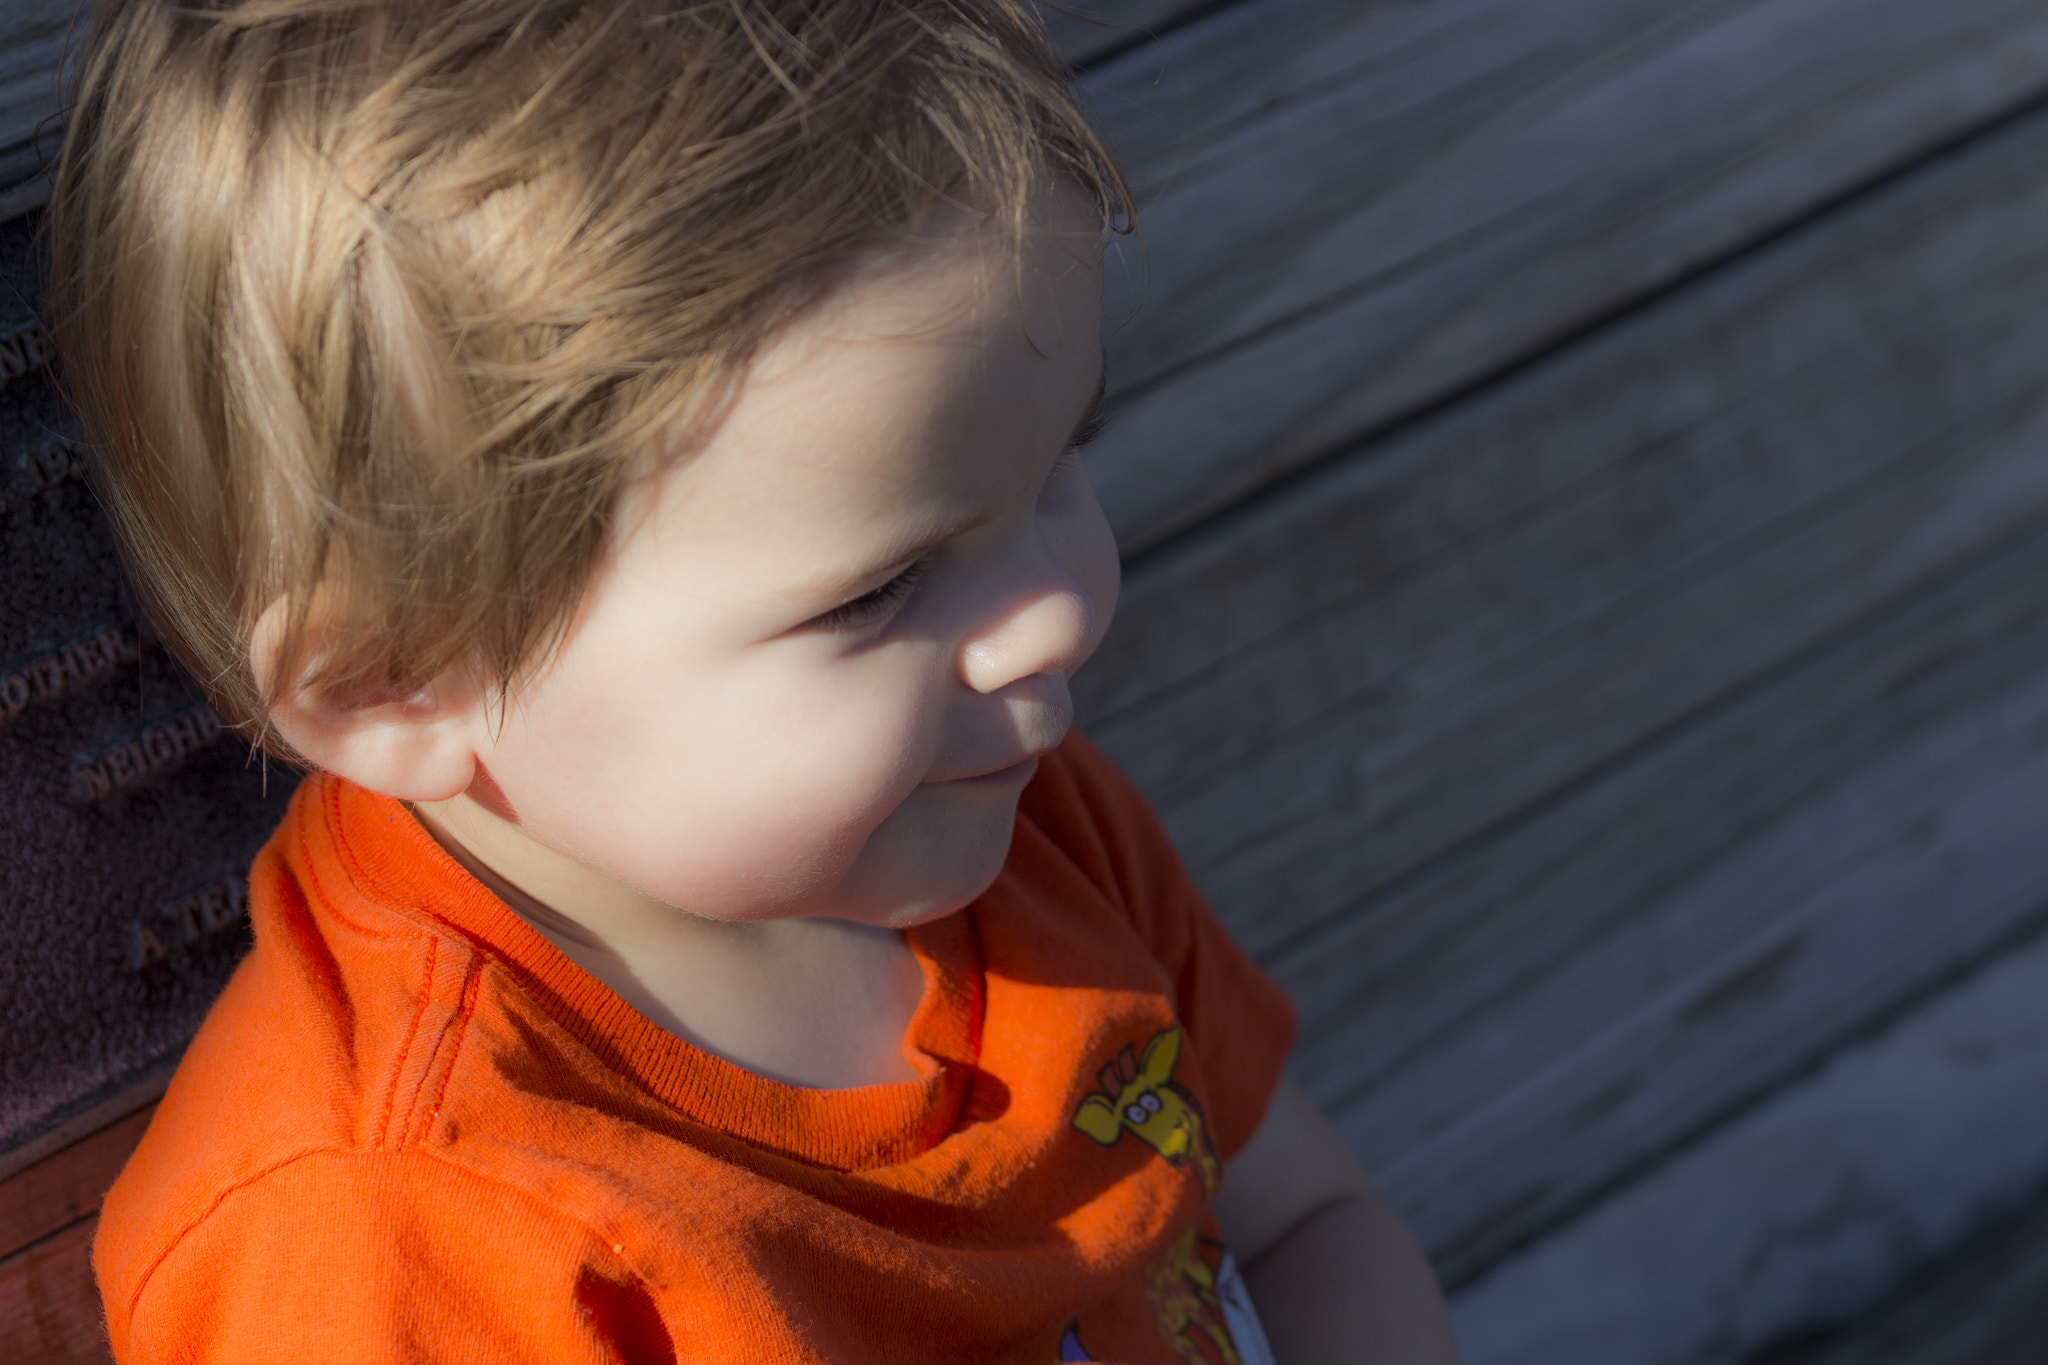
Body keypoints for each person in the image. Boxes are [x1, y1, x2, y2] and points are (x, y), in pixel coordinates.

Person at [51, 0, 1459, 1360]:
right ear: (394, 682)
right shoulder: (385, 1238)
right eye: (881, 586)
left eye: (1054, 468)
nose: (1053, 615)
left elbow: (1305, 1215)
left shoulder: (1026, 831)